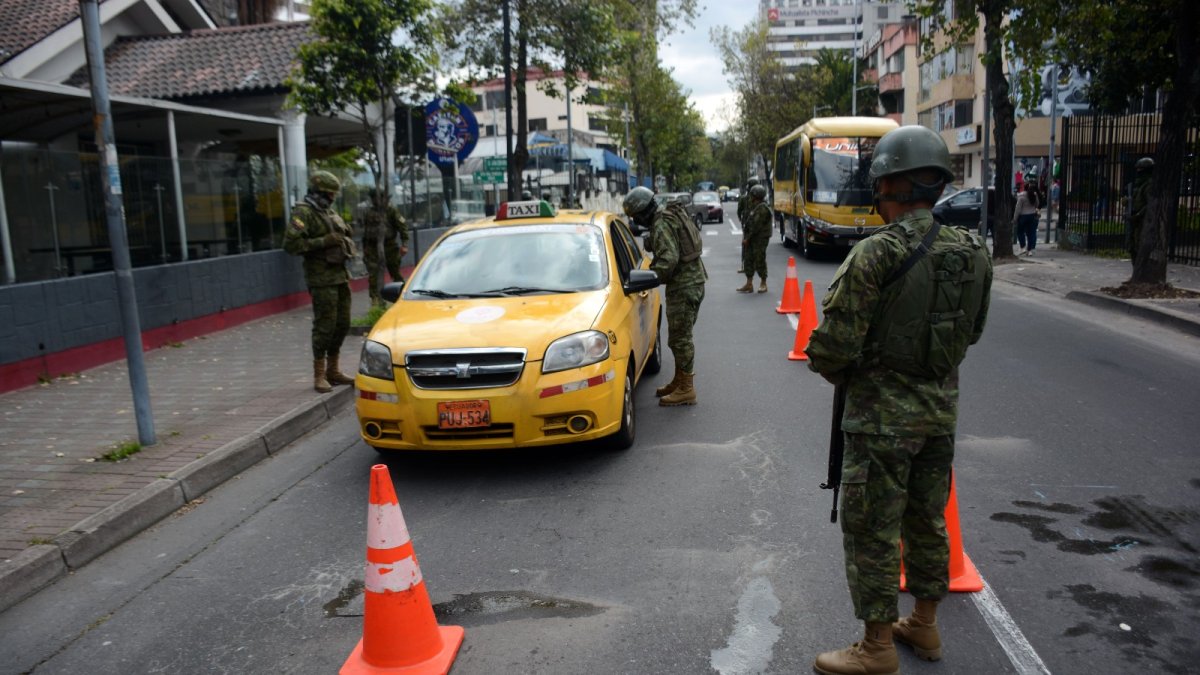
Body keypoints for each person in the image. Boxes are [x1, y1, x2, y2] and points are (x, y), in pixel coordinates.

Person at [805, 125, 993, 675]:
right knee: (927, 519)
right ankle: (925, 625)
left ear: (887, 186)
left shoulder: (876, 253)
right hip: (939, 415)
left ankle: (877, 646)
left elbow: (832, 347)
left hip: (880, 421)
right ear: (935, 187)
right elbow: (973, 333)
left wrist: (849, 371)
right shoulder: (974, 252)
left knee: (872, 528)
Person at [622, 186, 707, 406]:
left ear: (642, 212)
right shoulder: (667, 216)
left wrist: (651, 277)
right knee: (679, 337)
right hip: (692, 282)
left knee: (680, 339)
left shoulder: (661, 223)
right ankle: (680, 381)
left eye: (636, 216)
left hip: (684, 287)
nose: (637, 220)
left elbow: (669, 260)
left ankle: (687, 389)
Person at [283, 171, 358, 393]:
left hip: (340, 276)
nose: (333, 197)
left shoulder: (327, 211)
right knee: (325, 326)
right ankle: (319, 374)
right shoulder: (303, 213)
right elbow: (290, 245)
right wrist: (324, 241)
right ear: (319, 191)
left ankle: (333, 370)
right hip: (321, 278)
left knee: (342, 324)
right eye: (330, 193)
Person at [359, 188, 410, 305]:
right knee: (373, 275)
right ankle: (376, 300)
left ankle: (403, 296)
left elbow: (403, 227)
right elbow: (366, 232)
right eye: (375, 198)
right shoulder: (369, 212)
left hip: (389, 246)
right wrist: (365, 250)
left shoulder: (391, 210)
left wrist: (404, 244)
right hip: (372, 248)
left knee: (395, 272)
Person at [737, 184, 772, 293]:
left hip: (760, 238)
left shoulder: (763, 209)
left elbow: (756, 226)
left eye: (751, 195)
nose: (750, 197)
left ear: (756, 196)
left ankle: (763, 283)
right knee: (748, 258)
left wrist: (747, 239)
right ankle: (749, 283)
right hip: (752, 237)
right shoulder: (754, 206)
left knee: (759, 259)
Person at [1127, 157, 1154, 261]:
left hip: (1143, 220)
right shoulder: (1139, 184)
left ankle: (1142, 269)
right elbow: (1136, 200)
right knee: (1131, 245)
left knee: (1139, 245)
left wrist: (1138, 215)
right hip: (1135, 219)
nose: (1138, 172)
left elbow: (1150, 204)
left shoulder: (1149, 185)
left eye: (1141, 169)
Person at [737, 177, 760, 273]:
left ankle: (744, 266)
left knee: (745, 245)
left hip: (747, 226)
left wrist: (741, 221)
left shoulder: (743, 199)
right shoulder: (759, 199)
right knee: (756, 245)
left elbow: (739, 211)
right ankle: (756, 265)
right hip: (757, 226)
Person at [1013, 177, 1039, 256]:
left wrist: (1015, 218)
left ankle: (1022, 247)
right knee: (1031, 233)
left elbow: (1018, 208)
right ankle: (1029, 250)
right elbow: (1037, 204)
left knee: (1020, 232)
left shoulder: (1021, 196)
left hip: (1023, 216)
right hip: (1032, 215)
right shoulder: (1034, 195)